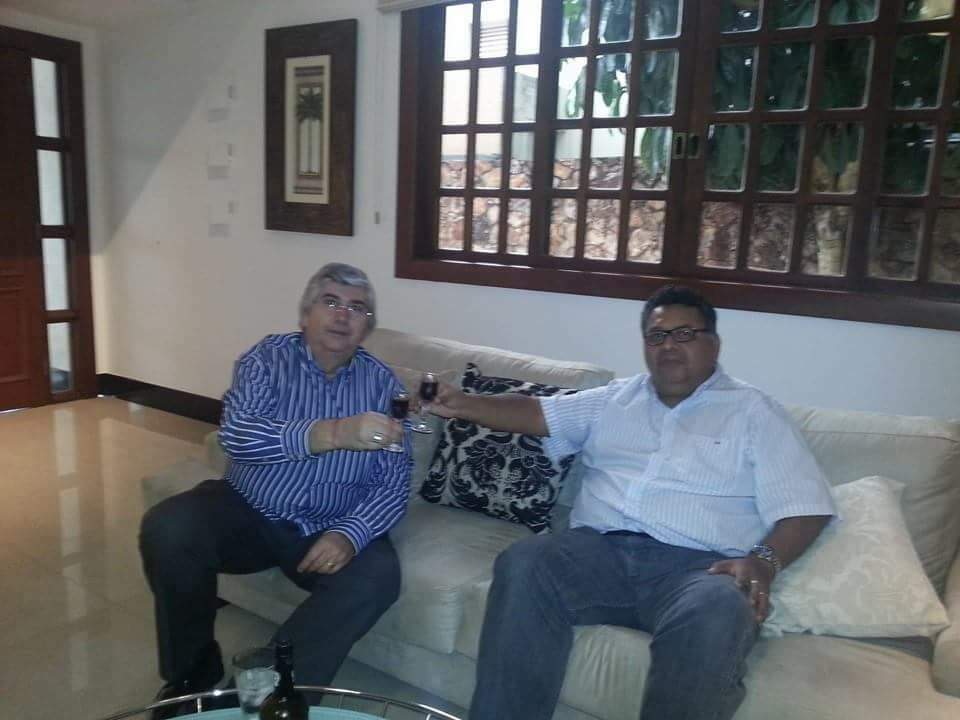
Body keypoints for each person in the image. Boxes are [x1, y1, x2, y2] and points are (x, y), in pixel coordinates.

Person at [428, 285, 837, 720]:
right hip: (597, 553)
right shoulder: (614, 399)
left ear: (714, 343)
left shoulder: (754, 412)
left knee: (719, 607)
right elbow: (536, 412)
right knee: (525, 562)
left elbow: (806, 505)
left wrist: (763, 561)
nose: (669, 346)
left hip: (699, 570)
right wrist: (465, 403)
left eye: (684, 334)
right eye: (657, 336)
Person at [139, 263, 411, 718]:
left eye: (357, 308)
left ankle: (262, 694)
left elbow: (394, 482)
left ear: (368, 327)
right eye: (330, 301)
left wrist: (350, 534)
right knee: (168, 527)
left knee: (378, 576)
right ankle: (191, 672)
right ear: (305, 314)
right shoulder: (266, 360)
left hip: (328, 524)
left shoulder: (384, 386)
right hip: (249, 508)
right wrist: (331, 433)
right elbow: (237, 435)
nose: (343, 315)